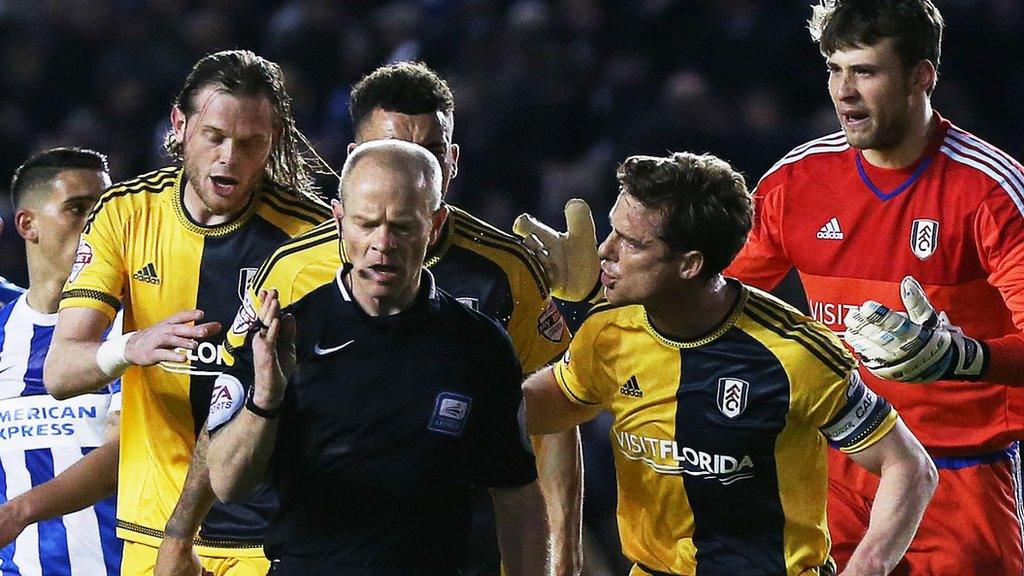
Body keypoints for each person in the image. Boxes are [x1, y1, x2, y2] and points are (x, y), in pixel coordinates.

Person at [221, 60, 580, 575]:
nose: (382, 243)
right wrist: (179, 534)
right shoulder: (290, 273)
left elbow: (550, 425)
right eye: (368, 222)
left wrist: (561, 559)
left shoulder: (501, 283)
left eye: (426, 154)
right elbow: (225, 445)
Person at [521, 151, 936, 576]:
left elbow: (909, 466)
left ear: (690, 264)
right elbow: (538, 408)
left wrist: (866, 566)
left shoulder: (794, 353)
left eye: (632, 242)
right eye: (613, 231)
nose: (605, 251)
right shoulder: (607, 331)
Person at [720, 1, 1024, 572]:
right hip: (835, 466)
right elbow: (715, 298)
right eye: (835, 69)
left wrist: (962, 358)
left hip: (961, 479)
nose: (843, 92)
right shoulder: (795, 182)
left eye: (865, 71)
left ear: (921, 77)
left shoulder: (990, 193)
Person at [42, 50, 332, 576]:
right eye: (215, 136)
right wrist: (130, 347)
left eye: (250, 143)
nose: (229, 158)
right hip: (154, 526)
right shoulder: (125, 213)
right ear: (180, 125)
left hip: (271, 532)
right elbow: (61, 372)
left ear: (273, 143)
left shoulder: (314, 238)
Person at [0, 147, 121, 575]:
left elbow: (121, 453)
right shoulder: (3, 329)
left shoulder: (135, 327)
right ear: (27, 224)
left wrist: (19, 512)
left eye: (103, 209)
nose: (95, 224)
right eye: (77, 208)